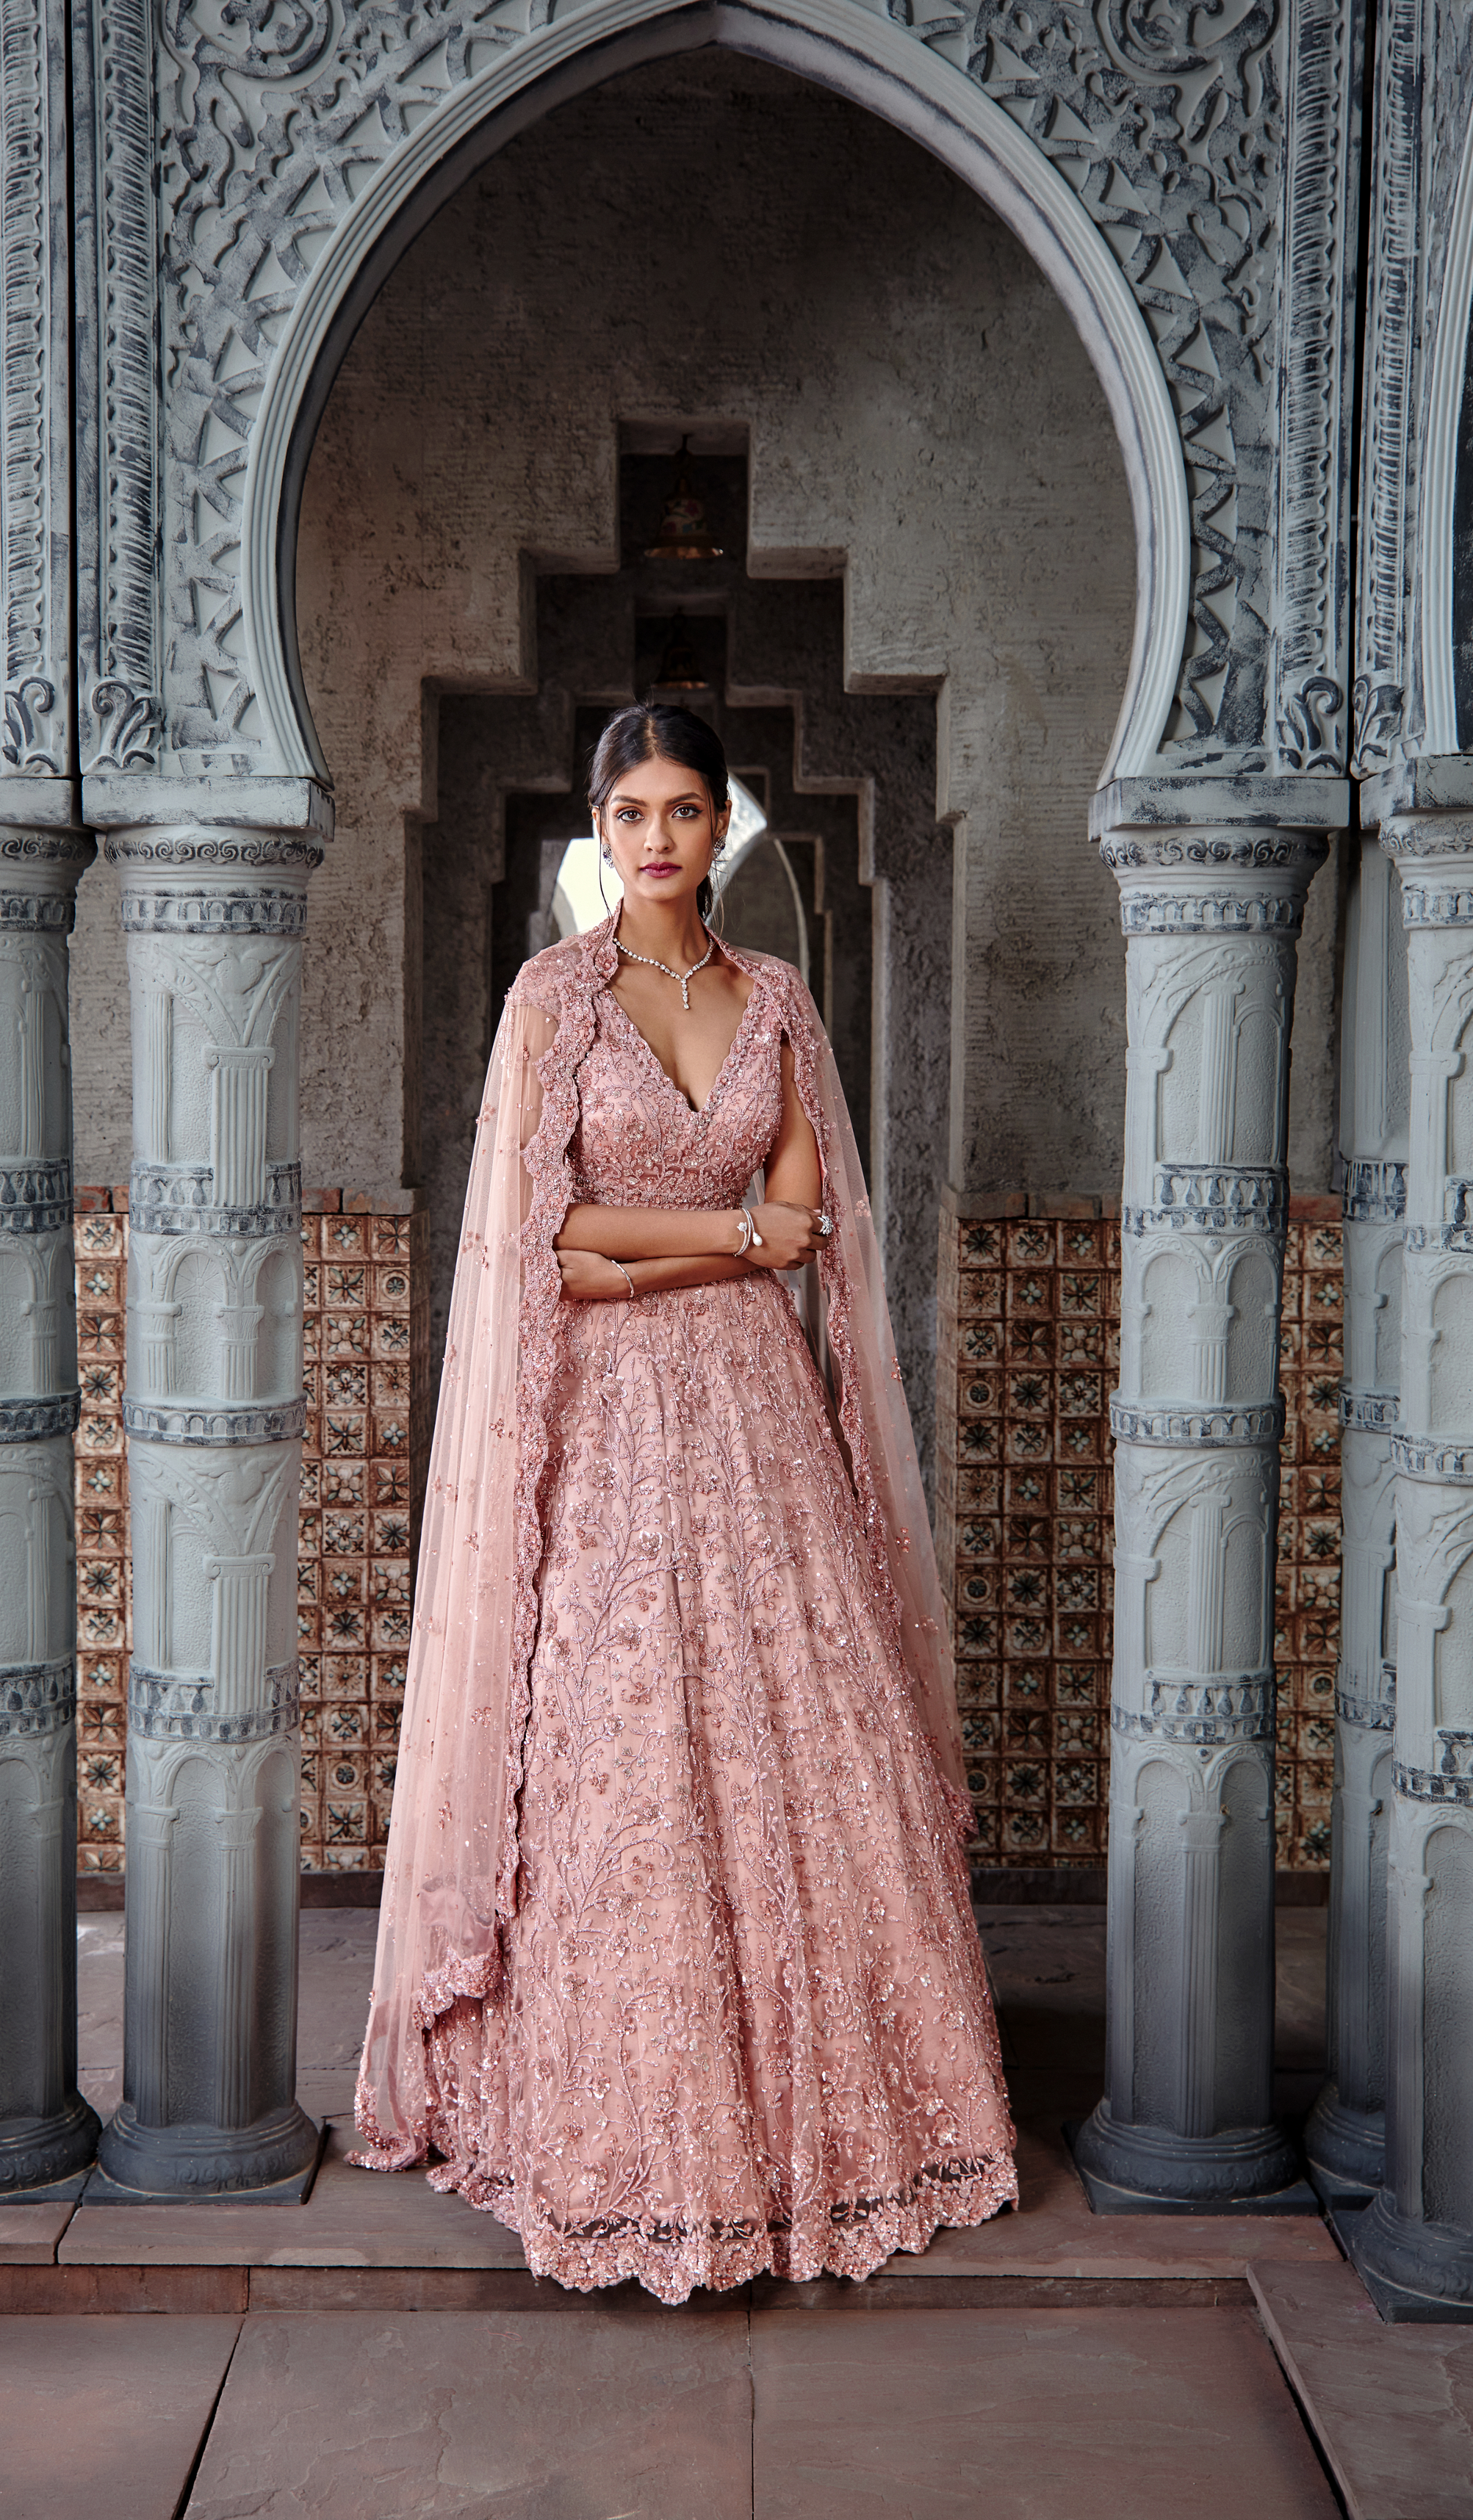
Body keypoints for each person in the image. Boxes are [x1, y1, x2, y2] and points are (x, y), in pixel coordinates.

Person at [355, 703, 1016, 2302]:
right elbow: (540, 1249)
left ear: (728, 828)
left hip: (759, 1418)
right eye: (631, 809)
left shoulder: (775, 997)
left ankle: (815, 2127)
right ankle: (628, 2131)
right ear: (599, 826)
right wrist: (717, 1236)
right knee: (619, 1744)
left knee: (806, 1729)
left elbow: (802, 1221)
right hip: (603, 1428)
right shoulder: (553, 1000)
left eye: (686, 808)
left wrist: (662, 1236)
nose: (656, 836)